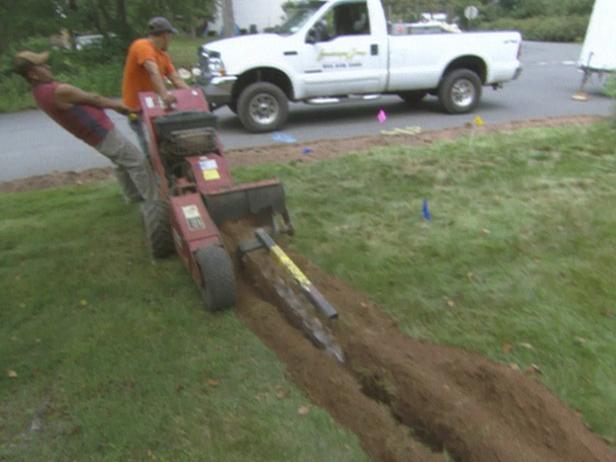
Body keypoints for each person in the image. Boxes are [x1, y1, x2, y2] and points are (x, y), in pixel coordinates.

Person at [13, 51, 158, 203]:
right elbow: (95, 99)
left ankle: (133, 197)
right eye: (41, 65)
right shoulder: (58, 91)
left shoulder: (38, 93)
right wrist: (121, 107)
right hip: (101, 132)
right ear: (33, 74)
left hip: (92, 136)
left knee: (120, 162)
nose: (48, 67)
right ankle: (154, 202)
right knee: (137, 162)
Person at [122, 16, 189, 154]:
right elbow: (153, 70)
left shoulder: (163, 56)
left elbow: (176, 79)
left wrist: (193, 94)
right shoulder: (142, 46)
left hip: (153, 108)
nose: (170, 40)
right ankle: (149, 171)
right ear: (165, 35)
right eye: (170, 36)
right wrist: (164, 95)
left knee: (166, 147)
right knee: (148, 150)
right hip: (137, 109)